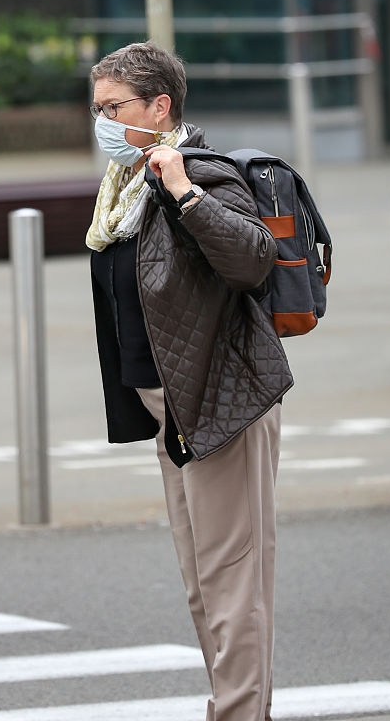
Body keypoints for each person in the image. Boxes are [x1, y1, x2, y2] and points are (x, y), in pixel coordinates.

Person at [85, 41, 294, 721]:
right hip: (171, 407)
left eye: (115, 108)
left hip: (221, 400)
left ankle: (239, 714)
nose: (104, 123)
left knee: (234, 584)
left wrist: (182, 189)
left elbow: (253, 258)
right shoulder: (121, 194)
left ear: (159, 106)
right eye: (98, 110)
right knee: (203, 585)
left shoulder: (200, 173)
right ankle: (235, 706)